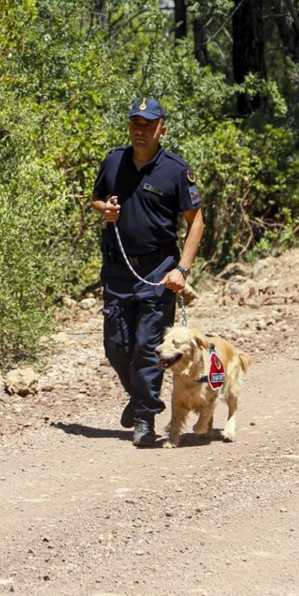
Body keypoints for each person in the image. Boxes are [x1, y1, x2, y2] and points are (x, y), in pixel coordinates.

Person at [90, 97, 204, 447]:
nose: (140, 130)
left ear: (161, 129)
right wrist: (103, 209)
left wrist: (182, 270)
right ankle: (140, 398)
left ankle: (144, 418)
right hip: (118, 269)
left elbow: (196, 221)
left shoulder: (176, 170)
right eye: (135, 124)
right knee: (115, 345)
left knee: (147, 346)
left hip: (159, 270)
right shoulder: (114, 161)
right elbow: (96, 198)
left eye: (148, 125)